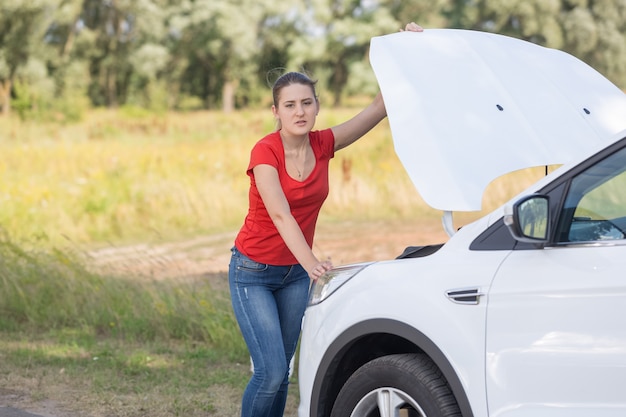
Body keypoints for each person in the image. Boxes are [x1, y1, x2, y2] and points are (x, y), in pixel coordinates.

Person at [229, 22, 424, 417]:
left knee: (282, 372)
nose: (299, 111)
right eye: (290, 105)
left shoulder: (324, 144)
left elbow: (376, 108)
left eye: (306, 103)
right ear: (276, 112)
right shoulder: (264, 152)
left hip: (294, 278)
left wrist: (407, 51)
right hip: (253, 271)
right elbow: (280, 214)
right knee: (267, 372)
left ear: (317, 105)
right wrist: (312, 263)